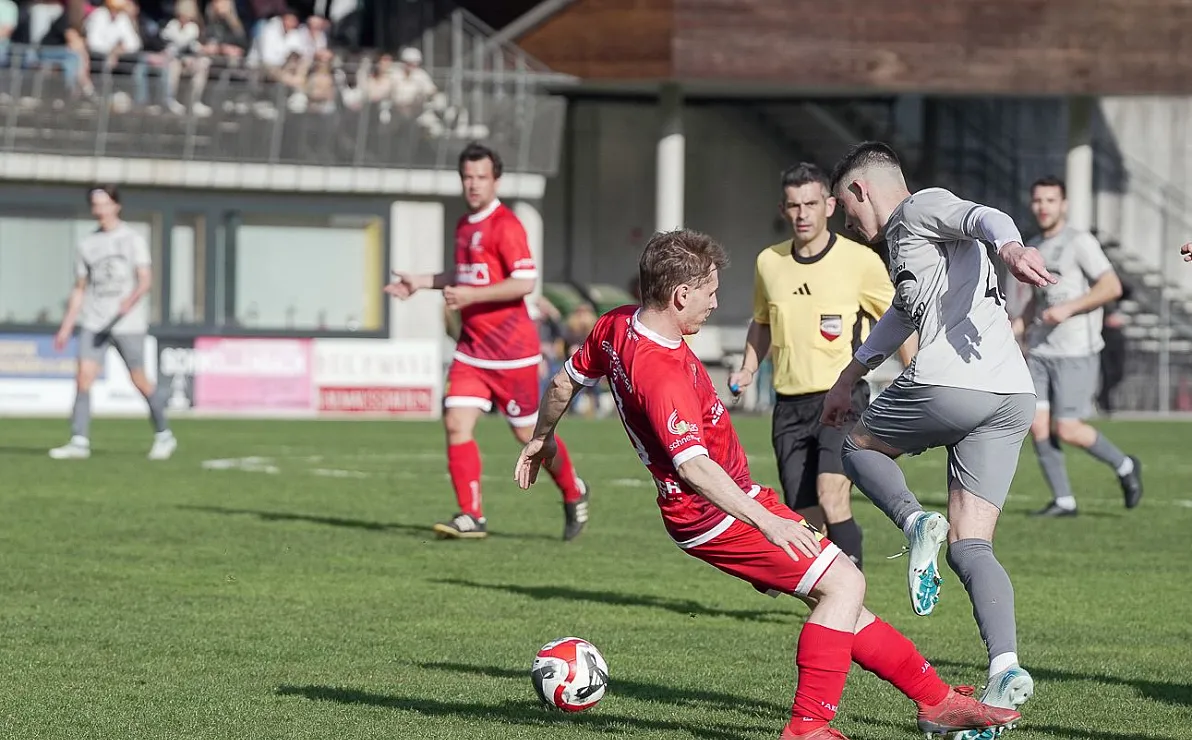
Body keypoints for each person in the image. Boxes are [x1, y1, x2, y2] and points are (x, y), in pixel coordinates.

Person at [515, 229, 1020, 740]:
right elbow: (693, 468)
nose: (715, 302)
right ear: (679, 295)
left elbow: (562, 383)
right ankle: (809, 728)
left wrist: (541, 438)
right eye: (710, 291)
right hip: (714, 512)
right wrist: (768, 523)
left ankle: (936, 701)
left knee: (839, 599)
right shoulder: (660, 371)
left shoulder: (617, 324)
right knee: (845, 583)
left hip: (722, 505)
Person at [820, 142, 1055, 734]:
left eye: (850, 217)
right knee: (971, 547)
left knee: (855, 448)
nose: (853, 229)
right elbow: (904, 310)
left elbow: (979, 216)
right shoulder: (909, 248)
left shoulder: (920, 208)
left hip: (953, 383)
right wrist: (853, 371)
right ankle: (1005, 670)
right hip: (1011, 397)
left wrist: (1010, 244)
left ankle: (912, 520)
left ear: (860, 191)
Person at [386, 143, 590, 541]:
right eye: (467, 177)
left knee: (530, 438)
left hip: (513, 355)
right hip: (472, 351)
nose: (473, 184)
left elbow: (524, 282)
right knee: (455, 422)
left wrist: (470, 297)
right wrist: (422, 282)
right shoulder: (465, 225)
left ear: (496, 179)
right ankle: (471, 514)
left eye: (481, 177)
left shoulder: (507, 226)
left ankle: (573, 490)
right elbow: (465, 275)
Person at [728, 162, 916, 570]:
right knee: (805, 519)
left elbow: (899, 319)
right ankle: (826, 600)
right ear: (783, 209)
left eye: (811, 203)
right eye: (794, 205)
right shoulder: (769, 262)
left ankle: (853, 597)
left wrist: (916, 375)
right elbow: (762, 322)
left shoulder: (860, 261)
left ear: (830, 205)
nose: (802, 214)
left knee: (833, 495)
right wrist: (746, 368)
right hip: (789, 406)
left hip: (842, 398)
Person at [1014, 176, 1141, 516]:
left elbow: (1111, 286)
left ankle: (1125, 465)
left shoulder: (1080, 242)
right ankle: (1064, 500)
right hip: (1041, 350)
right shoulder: (1035, 244)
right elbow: (1036, 299)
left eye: (1050, 201)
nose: (1043, 207)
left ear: (1064, 205)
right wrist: (1018, 327)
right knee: (1036, 424)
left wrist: (1069, 308)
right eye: (1038, 200)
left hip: (1075, 351)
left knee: (1067, 429)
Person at [50, 185, 177, 461]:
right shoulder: (86, 244)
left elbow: (145, 279)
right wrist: (66, 325)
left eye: (104, 203)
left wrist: (129, 301)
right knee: (83, 378)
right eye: (95, 204)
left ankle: (164, 434)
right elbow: (80, 288)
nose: (99, 209)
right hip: (94, 321)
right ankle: (79, 440)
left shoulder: (132, 239)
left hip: (126, 323)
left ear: (116, 205)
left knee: (140, 380)